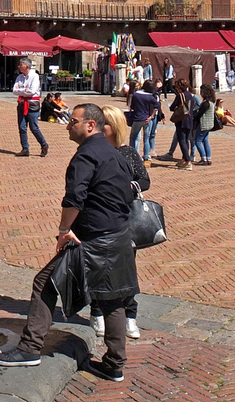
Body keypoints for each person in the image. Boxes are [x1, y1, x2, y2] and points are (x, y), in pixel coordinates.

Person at [0, 104, 137, 380]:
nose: (68, 125)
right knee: (112, 300)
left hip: (92, 239)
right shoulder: (114, 154)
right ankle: (115, 364)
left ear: (90, 125)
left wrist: (64, 228)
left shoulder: (86, 156)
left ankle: (30, 349)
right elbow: (127, 193)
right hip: (117, 235)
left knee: (46, 283)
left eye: (73, 121)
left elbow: (74, 198)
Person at [97, 106, 149, 340]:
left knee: (126, 269)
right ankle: (97, 313)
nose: (97, 127)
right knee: (99, 266)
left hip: (125, 218)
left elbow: (144, 180)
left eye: (103, 124)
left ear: (114, 127)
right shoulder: (92, 151)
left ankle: (129, 316)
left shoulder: (127, 153)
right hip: (99, 218)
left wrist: (129, 186)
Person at [13, 58, 49, 158]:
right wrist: (24, 90)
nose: (19, 66)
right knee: (22, 127)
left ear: (27, 66)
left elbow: (32, 91)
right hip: (21, 104)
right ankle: (25, 149)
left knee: (34, 127)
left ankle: (44, 144)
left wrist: (21, 90)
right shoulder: (20, 77)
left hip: (32, 104)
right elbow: (14, 90)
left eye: (21, 65)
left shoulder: (34, 76)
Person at [192, 85, 218, 166]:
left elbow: (199, 114)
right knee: (205, 141)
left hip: (203, 124)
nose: (200, 93)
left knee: (198, 141)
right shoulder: (211, 102)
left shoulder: (205, 103)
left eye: (201, 91)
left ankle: (203, 158)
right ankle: (208, 158)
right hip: (209, 124)